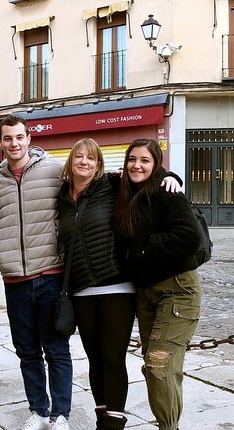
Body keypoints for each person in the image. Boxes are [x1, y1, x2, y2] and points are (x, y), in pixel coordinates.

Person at [57, 139, 180, 430]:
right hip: (81, 289)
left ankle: (115, 423)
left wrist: (172, 178)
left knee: (113, 357)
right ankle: (103, 418)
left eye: (91, 157)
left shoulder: (112, 185)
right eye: (79, 157)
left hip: (116, 286)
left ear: (99, 164)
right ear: (70, 162)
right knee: (94, 359)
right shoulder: (61, 196)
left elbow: (145, 176)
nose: (84, 162)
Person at [0, 115, 71, 430]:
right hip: (14, 281)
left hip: (50, 274)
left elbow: (91, 177)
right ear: (1, 142)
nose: (14, 143)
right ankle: (38, 411)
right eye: (8, 138)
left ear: (29, 139)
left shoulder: (53, 170)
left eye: (19, 137)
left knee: (56, 348)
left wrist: (166, 174)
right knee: (27, 351)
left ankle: (60, 414)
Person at [115, 139, 202, 430]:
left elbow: (189, 236)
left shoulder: (165, 191)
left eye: (145, 161)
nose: (136, 165)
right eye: (132, 159)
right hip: (146, 294)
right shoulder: (126, 190)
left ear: (156, 165)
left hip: (177, 290)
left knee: (158, 364)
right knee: (158, 367)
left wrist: (143, 250)